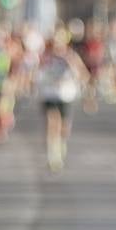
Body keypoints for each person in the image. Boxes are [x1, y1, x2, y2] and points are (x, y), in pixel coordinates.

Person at [37, 28, 90, 173]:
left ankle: (61, 144)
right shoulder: (46, 56)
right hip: (49, 94)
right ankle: (52, 156)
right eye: (55, 41)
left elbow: (84, 76)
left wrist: (72, 65)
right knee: (52, 123)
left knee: (64, 127)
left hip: (65, 95)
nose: (57, 44)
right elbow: (37, 72)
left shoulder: (71, 56)